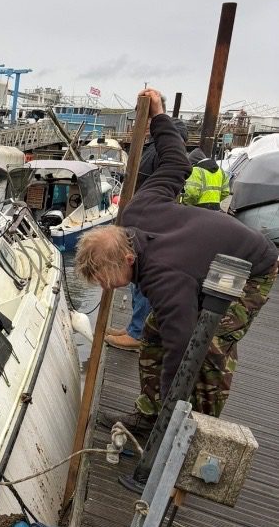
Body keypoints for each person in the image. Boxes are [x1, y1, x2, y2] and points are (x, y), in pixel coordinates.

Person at [75, 88, 278, 436]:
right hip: (206, 261)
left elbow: (181, 346)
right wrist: (158, 116)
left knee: (209, 346)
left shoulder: (162, 277)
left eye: (108, 279)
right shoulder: (138, 210)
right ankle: (150, 415)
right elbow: (175, 162)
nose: (108, 288)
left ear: (127, 257)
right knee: (153, 332)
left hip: (253, 268)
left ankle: (192, 433)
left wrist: (173, 408)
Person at [105, 113, 191, 352]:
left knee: (142, 279)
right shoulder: (154, 150)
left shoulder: (162, 153)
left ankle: (138, 333)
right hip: (139, 221)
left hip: (148, 224)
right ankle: (135, 326)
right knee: (135, 282)